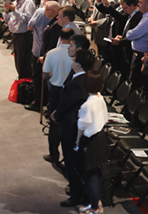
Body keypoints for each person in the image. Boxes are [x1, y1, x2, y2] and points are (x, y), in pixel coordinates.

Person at [54, 48, 93, 207]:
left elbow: (67, 103)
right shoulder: (85, 78)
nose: (71, 62)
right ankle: (78, 189)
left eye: (73, 60)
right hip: (77, 124)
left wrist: (57, 115)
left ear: (78, 64)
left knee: (71, 161)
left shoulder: (77, 84)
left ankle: (77, 194)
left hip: (71, 126)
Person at [75, 71, 108, 214]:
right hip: (101, 138)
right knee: (94, 173)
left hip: (91, 141)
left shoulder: (87, 105)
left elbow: (82, 126)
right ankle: (96, 203)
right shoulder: (100, 98)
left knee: (91, 176)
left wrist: (77, 141)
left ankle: (95, 208)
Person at [42, 28, 75, 166]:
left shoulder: (51, 53)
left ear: (60, 38)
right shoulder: (75, 54)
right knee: (70, 124)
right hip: (71, 91)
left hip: (56, 90)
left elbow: (44, 75)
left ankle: (54, 154)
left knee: (54, 123)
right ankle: (70, 158)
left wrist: (53, 76)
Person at [3, 0, 36, 80]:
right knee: (18, 60)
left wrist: (15, 11)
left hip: (24, 36)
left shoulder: (29, 3)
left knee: (24, 61)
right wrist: (6, 10)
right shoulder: (14, 2)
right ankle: (21, 78)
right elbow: (7, 18)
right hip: (15, 35)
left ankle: (25, 81)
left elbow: (29, 19)